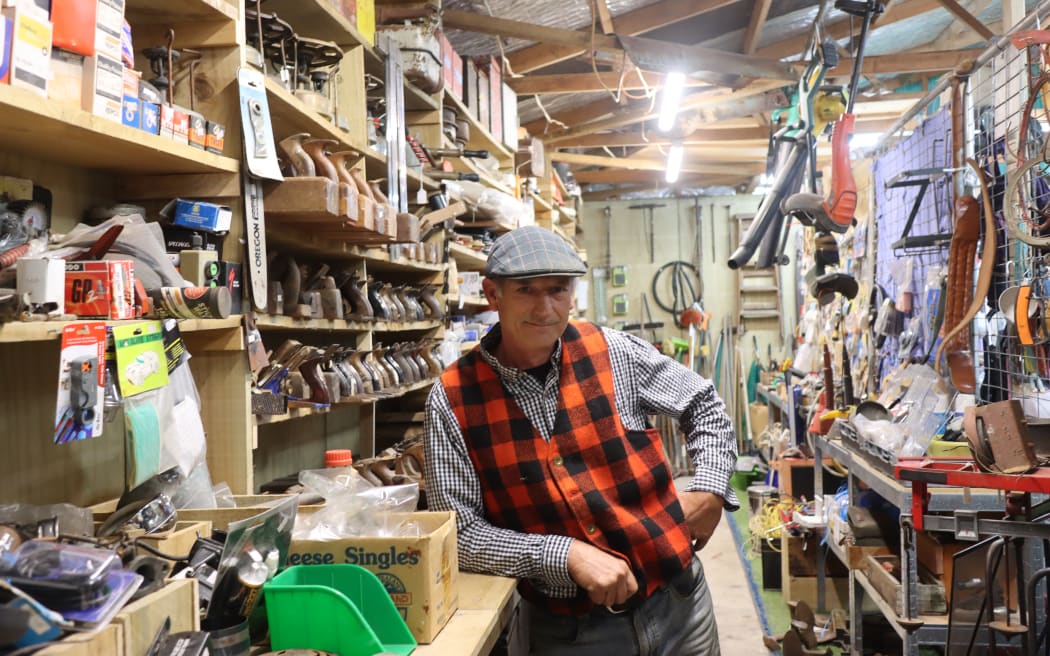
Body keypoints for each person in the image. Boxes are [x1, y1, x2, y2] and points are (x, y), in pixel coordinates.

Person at [424, 225, 738, 655]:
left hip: (681, 606)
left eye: (558, 290)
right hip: (569, 634)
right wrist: (564, 555)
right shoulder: (452, 399)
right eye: (526, 290)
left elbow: (703, 403)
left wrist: (711, 488)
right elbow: (459, 534)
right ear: (492, 295)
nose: (545, 307)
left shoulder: (613, 352)